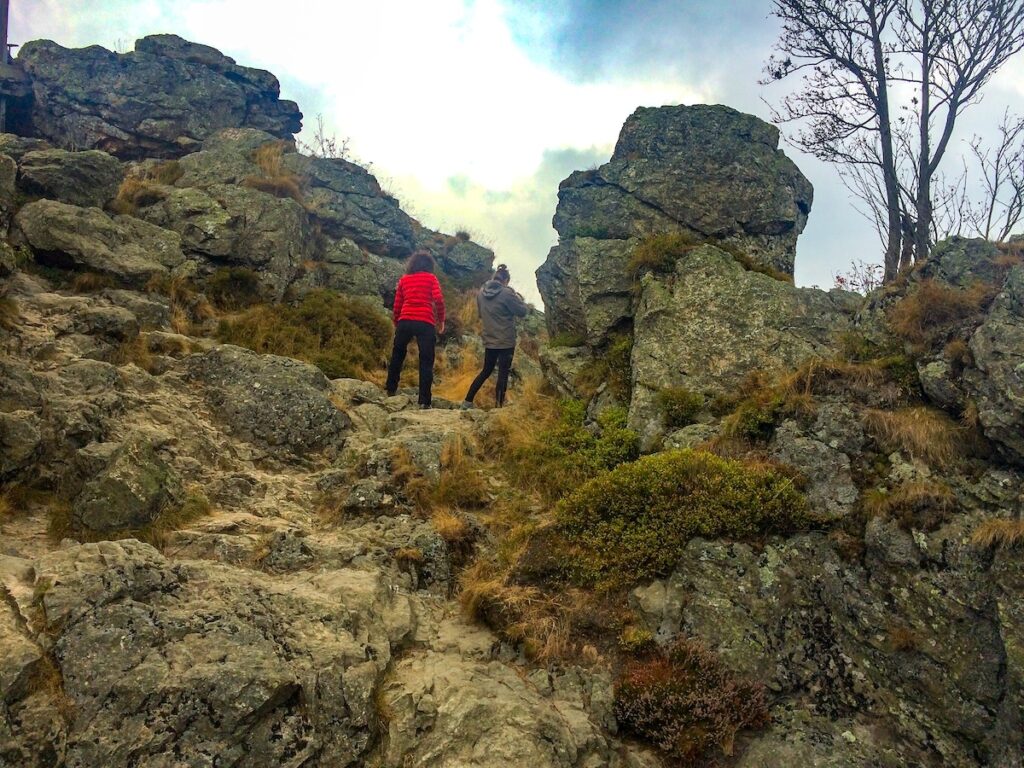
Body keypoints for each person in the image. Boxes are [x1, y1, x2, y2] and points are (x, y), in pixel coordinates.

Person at [462, 263, 528, 409]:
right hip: (506, 341)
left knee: (486, 370)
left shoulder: (480, 294)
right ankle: (498, 408)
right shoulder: (507, 293)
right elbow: (522, 311)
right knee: (503, 374)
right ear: (506, 281)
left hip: (489, 339)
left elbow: (480, 315)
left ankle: (467, 401)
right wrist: (516, 296)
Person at [386, 250, 446, 409]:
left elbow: (397, 303)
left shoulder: (404, 279)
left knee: (397, 354)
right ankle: (424, 401)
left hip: (405, 319)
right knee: (426, 360)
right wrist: (441, 320)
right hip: (425, 321)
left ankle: (390, 389)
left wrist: (396, 321)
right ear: (429, 265)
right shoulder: (431, 278)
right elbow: (439, 299)